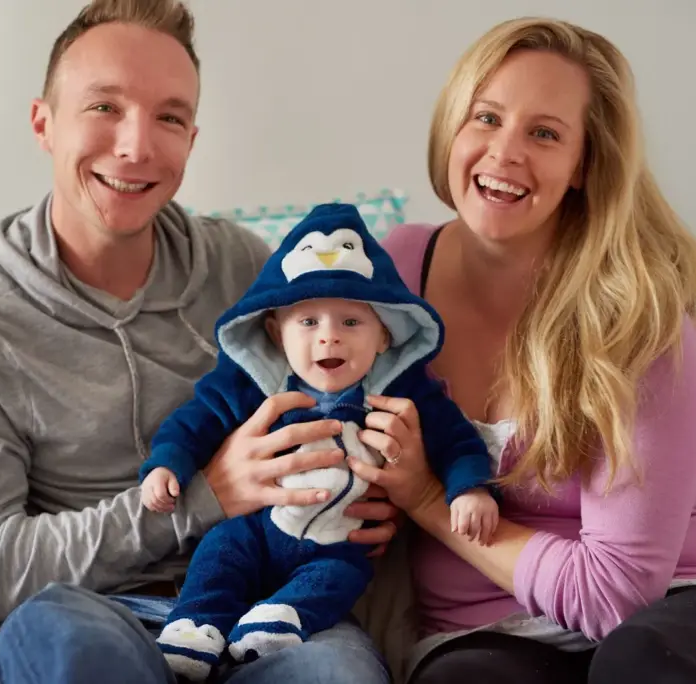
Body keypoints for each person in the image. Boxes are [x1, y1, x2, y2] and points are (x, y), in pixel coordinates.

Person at [0, 1, 396, 683]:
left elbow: (348, 394)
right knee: (72, 651)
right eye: (104, 107)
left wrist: (373, 497)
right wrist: (203, 497)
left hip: (260, 603)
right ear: (44, 123)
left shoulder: (242, 268)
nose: (136, 146)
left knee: (338, 677)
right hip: (94, 611)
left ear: (191, 139)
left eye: (168, 117)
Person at [342, 16, 696, 684]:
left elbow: (615, 598)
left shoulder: (639, 318)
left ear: (584, 165)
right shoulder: (395, 272)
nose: (504, 153)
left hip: (670, 607)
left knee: (641, 664)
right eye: (487, 118)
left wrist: (427, 497)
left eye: (545, 133)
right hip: (480, 628)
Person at [137, 203, 495, 680]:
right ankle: (194, 627)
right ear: (275, 332)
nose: (329, 339)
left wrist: (469, 489)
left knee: (342, 577)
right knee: (219, 551)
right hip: (258, 529)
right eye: (308, 322)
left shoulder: (403, 393)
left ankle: (281, 620)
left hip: (337, 542)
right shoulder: (254, 385)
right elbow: (194, 421)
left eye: (351, 322)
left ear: (384, 335)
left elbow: (456, 441)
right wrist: (167, 464)